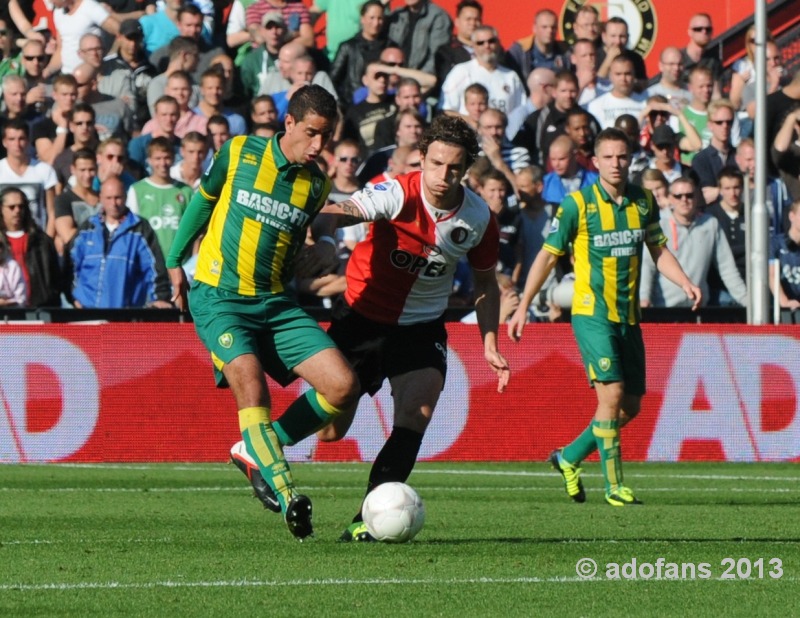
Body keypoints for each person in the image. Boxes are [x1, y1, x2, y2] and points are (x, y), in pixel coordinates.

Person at [230, 114, 510, 542]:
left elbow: (486, 283)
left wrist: (489, 341)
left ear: (467, 168)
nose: (443, 174)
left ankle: (366, 520)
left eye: (454, 167)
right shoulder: (396, 191)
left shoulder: (478, 218)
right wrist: (321, 236)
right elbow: (340, 212)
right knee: (330, 431)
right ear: (422, 158)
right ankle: (260, 447)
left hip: (421, 328)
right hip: (361, 320)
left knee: (416, 413)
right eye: (435, 163)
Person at [165, 85, 360, 540]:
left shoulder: (317, 185)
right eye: (311, 133)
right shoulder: (237, 152)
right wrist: (175, 260)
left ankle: (255, 448)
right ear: (288, 123)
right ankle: (289, 491)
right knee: (251, 386)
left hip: (274, 302)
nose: (318, 146)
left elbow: (293, 245)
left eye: (326, 137)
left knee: (343, 385)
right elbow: (204, 202)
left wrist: (318, 254)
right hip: (219, 296)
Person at [508, 128, 701, 506]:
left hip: (629, 317)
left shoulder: (643, 202)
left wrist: (686, 281)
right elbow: (548, 256)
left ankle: (568, 457)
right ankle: (614, 486)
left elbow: (657, 250)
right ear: (595, 162)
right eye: (608, 157)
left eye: (622, 156)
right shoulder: (577, 205)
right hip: (592, 313)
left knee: (630, 406)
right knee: (610, 394)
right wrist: (522, 305)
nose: (616, 163)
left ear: (630, 159)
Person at [640, 176, 745, 309]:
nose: (684, 200)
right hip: (664, 308)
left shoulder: (710, 224)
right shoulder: (658, 223)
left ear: (696, 198)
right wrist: (644, 298)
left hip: (698, 306)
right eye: (678, 196)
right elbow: (647, 265)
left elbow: (727, 268)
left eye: (689, 195)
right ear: (670, 198)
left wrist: (746, 301)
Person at [69, 176, 171, 309]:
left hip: (124, 315)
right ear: (100, 197)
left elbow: (154, 267)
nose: (114, 203)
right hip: (86, 313)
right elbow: (70, 265)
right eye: (108, 198)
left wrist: (160, 297)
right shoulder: (87, 229)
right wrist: (73, 297)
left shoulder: (140, 229)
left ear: (125, 197)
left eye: (118, 197)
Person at [127, 137, 193, 258]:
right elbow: (131, 229)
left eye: (167, 158)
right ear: (149, 160)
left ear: (173, 159)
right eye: (158, 158)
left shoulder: (186, 191)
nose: (163, 163)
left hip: (180, 264)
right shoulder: (137, 190)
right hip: (149, 264)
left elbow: (194, 231)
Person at [0, 187, 61, 307]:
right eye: (11, 207)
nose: (17, 211)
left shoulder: (42, 241)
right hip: (6, 310)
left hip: (38, 308)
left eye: (21, 206)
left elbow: (55, 276)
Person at [770, 200, 800, 311]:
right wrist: (784, 301)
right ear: (792, 216)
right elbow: (771, 275)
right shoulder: (775, 243)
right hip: (781, 309)